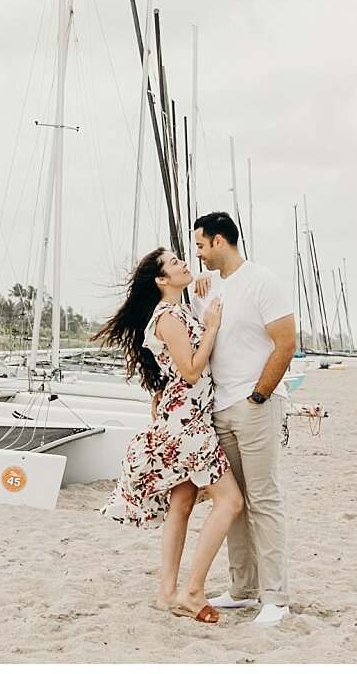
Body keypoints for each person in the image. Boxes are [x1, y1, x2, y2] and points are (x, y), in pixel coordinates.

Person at [98, 247, 245, 624]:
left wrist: (200, 293)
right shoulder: (167, 316)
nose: (184, 263)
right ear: (162, 280)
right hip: (187, 425)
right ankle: (193, 591)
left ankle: (167, 594)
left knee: (181, 505)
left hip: (184, 417)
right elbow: (192, 370)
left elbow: (177, 372)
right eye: (175, 262)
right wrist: (211, 326)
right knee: (230, 502)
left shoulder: (178, 310)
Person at [191, 211, 297, 626]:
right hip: (220, 408)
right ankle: (243, 588)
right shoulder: (209, 286)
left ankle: (276, 596)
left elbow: (286, 343)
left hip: (255, 405)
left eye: (201, 245)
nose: (197, 254)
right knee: (231, 503)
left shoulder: (262, 280)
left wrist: (260, 394)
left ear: (219, 241)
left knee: (264, 498)